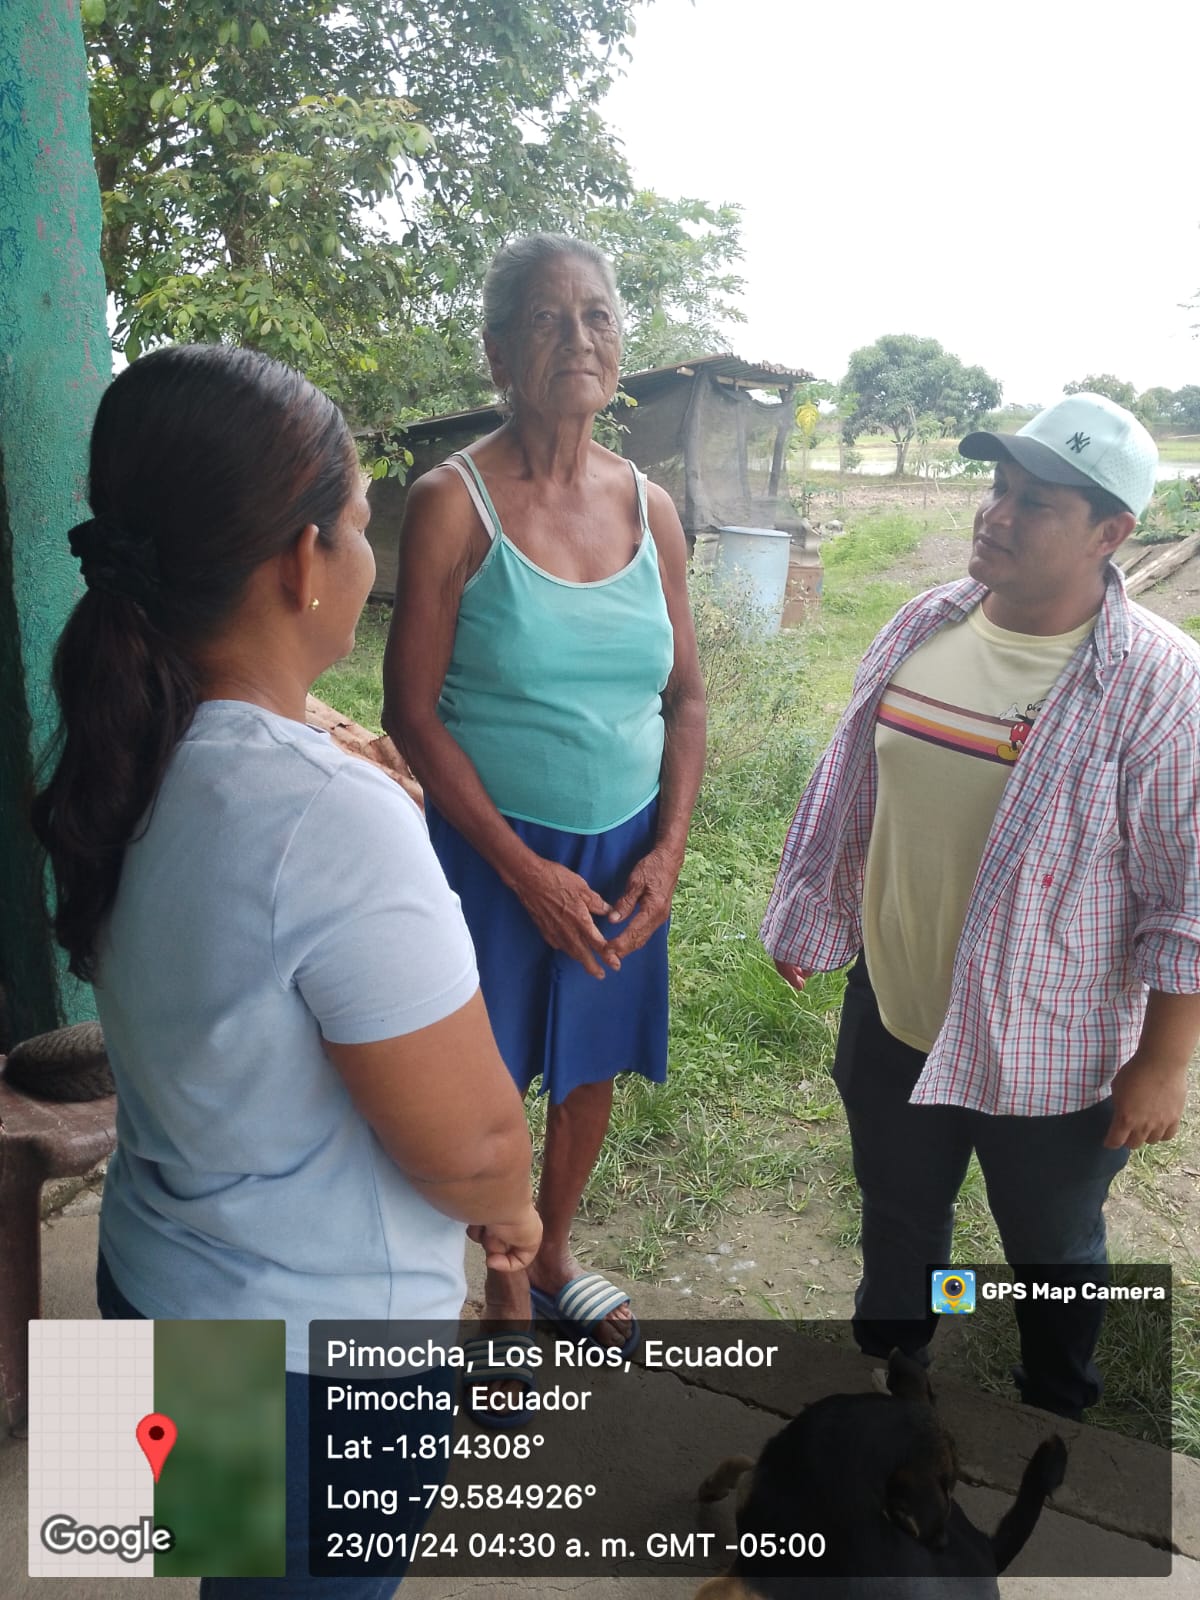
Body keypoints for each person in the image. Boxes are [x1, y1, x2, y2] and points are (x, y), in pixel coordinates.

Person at [31, 343, 542, 1598]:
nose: (366, 552)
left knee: (223, 1570)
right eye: (360, 520)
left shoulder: (127, 741)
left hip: (149, 1280)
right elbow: (471, 1144)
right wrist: (515, 1213)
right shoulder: (324, 812)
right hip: (319, 1365)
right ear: (303, 562)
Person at [761, 393, 1200, 1420]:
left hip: (1053, 1051)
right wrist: (816, 910)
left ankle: (1054, 1404)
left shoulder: (1159, 684)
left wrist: (1164, 1062)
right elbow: (856, 787)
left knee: (1051, 1248)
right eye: (997, 487)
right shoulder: (924, 623)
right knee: (901, 1217)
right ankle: (897, 1377)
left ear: (1110, 534)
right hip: (894, 1009)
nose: (995, 513)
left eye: (1034, 502)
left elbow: (1187, 891)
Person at [383, 233, 706, 1359]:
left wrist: (667, 849)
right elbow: (410, 712)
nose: (579, 338)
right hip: (488, 850)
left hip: (621, 850)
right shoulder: (452, 502)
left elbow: (687, 699)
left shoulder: (651, 509)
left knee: (587, 1067)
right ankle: (504, 1281)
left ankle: (555, 1249)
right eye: (546, 318)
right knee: (481, 1074)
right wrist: (523, 873)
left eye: (598, 315)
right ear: (498, 354)